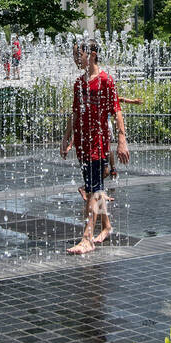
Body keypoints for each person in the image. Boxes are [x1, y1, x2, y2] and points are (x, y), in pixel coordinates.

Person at [60, 40, 128, 254]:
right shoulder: (78, 83)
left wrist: (121, 140)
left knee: (94, 189)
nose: (75, 59)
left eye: (78, 54)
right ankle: (106, 226)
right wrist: (66, 138)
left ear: (92, 54)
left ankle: (87, 238)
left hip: (98, 143)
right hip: (82, 142)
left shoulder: (105, 81)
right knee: (93, 187)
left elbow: (116, 111)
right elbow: (75, 113)